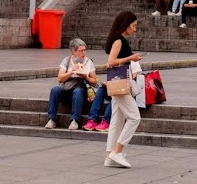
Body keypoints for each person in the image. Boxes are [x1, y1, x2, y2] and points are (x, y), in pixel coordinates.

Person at [104, 10, 142, 168]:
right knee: (134, 117)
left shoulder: (120, 40)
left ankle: (109, 156)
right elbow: (110, 62)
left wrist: (131, 56)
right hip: (120, 83)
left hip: (118, 82)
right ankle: (117, 151)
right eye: (133, 26)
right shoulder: (118, 40)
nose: (135, 29)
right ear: (126, 25)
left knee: (117, 120)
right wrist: (130, 58)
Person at [44, 38, 97, 130]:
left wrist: (85, 76)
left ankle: (75, 120)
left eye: (85, 50)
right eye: (81, 51)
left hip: (79, 88)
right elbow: (60, 78)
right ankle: (51, 119)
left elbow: (94, 82)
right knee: (55, 90)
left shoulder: (88, 62)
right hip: (67, 87)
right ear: (73, 51)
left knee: (78, 92)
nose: (83, 53)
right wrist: (72, 71)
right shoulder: (67, 61)